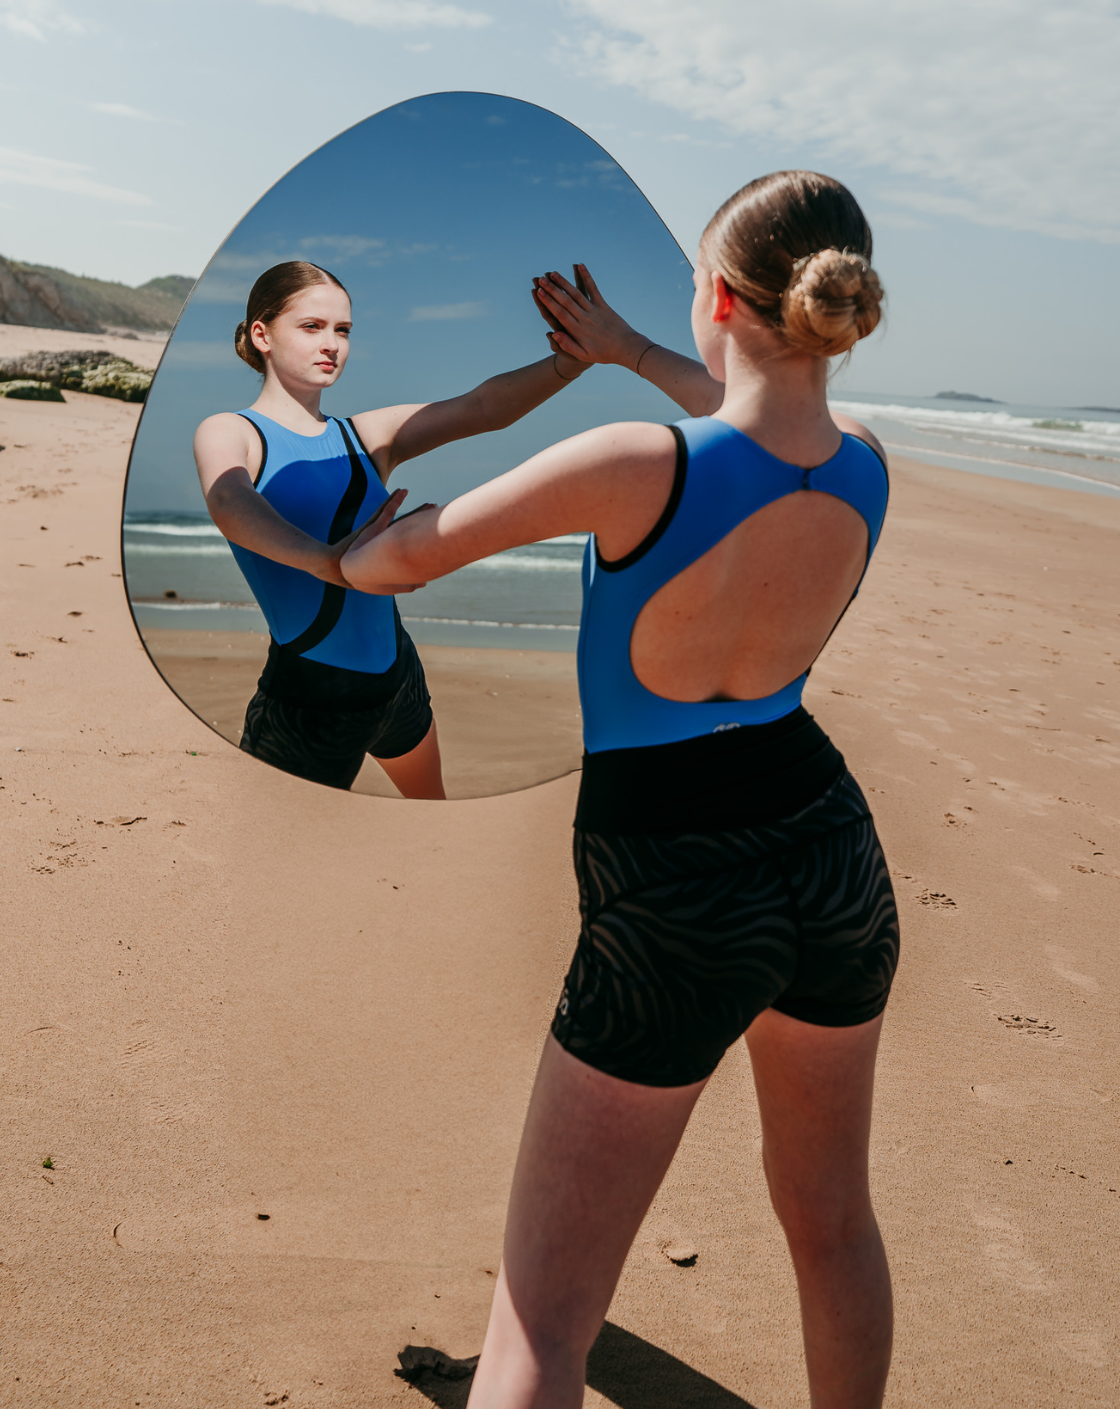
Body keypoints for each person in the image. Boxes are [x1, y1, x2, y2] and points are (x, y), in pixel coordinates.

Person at [343, 172, 897, 1407]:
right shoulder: (860, 467)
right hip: (831, 858)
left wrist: (354, 530)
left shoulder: (622, 463)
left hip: (671, 884)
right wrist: (632, 350)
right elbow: (750, 428)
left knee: (542, 1317)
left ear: (715, 295)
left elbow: (397, 561)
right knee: (831, 1224)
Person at [192, 258, 589, 799]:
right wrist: (325, 561)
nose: (331, 343)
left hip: (397, 679)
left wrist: (570, 363)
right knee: (278, 860)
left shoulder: (365, 437)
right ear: (262, 333)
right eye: (312, 327)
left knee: (432, 822)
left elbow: (481, 407)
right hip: (312, 698)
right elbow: (228, 498)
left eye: (343, 330)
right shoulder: (232, 430)